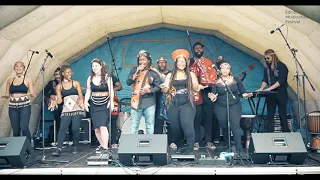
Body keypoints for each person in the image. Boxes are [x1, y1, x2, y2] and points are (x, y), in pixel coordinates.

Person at [161, 49, 206, 154]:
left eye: (184, 61)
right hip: (173, 103)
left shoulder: (191, 74)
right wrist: (164, 88)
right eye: (179, 61)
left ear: (186, 63)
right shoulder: (170, 75)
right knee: (175, 127)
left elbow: (195, 88)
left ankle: (190, 147)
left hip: (187, 103)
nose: (182, 63)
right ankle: (180, 146)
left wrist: (199, 87)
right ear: (176, 63)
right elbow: (166, 89)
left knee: (187, 125)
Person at [208, 62, 253, 153]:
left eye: (227, 68)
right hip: (220, 106)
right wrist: (212, 97)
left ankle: (239, 149)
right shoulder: (216, 82)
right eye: (223, 68)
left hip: (234, 105)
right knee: (224, 126)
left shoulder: (236, 79)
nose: (225, 70)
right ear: (220, 71)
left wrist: (246, 95)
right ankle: (228, 146)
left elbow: (243, 92)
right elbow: (214, 94)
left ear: (230, 70)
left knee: (235, 125)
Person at [51, 65, 85, 156]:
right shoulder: (59, 86)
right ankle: (58, 148)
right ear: (63, 73)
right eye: (68, 72)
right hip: (66, 109)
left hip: (77, 109)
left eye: (71, 72)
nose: (70, 74)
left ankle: (75, 147)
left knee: (75, 128)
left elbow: (81, 96)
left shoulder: (76, 83)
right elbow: (60, 101)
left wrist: (82, 104)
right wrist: (53, 102)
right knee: (62, 128)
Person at [190, 42, 218, 150]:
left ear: (203, 49)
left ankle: (209, 141)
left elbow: (214, 78)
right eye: (196, 48)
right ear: (193, 50)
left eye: (199, 48)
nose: (198, 50)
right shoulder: (190, 62)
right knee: (196, 116)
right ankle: (196, 141)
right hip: (195, 92)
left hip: (207, 91)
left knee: (208, 116)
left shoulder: (208, 61)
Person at [126, 50, 161, 134]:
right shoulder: (134, 70)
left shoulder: (153, 72)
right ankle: (133, 145)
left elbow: (158, 87)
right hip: (136, 101)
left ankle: (149, 146)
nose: (141, 62)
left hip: (149, 102)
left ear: (148, 61)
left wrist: (148, 90)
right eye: (140, 60)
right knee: (134, 125)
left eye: (143, 60)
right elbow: (128, 82)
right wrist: (136, 73)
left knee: (149, 125)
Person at [83, 58, 114, 154]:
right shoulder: (90, 78)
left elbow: (111, 91)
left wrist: (111, 102)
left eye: (96, 66)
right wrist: (85, 102)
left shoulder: (107, 77)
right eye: (93, 66)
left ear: (101, 66)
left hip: (104, 104)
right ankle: (102, 145)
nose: (94, 68)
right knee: (96, 128)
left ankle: (105, 148)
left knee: (103, 126)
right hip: (94, 104)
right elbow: (88, 91)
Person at [256, 49, 290, 133]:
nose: (266, 60)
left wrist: (270, 88)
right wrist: (261, 88)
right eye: (265, 58)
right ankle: (270, 134)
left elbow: (281, 80)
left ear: (273, 57)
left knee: (282, 114)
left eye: (268, 58)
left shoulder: (282, 66)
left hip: (281, 93)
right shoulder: (266, 68)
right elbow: (265, 79)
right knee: (270, 115)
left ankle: (286, 133)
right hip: (271, 94)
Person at [1, 61, 35, 143]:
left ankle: (28, 147)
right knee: (15, 130)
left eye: (20, 66)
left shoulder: (27, 79)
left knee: (24, 127)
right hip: (13, 106)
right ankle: (18, 150)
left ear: (23, 68)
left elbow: (32, 92)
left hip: (25, 105)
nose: (18, 68)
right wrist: (4, 96)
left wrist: (31, 94)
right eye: (16, 66)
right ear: (14, 68)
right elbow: (7, 94)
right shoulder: (10, 80)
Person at [44, 67, 73, 142]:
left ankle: (71, 140)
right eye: (56, 74)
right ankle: (59, 141)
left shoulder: (67, 82)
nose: (57, 76)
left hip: (67, 104)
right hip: (57, 104)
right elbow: (44, 91)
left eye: (59, 74)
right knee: (58, 122)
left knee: (69, 121)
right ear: (54, 75)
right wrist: (51, 96)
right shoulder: (52, 83)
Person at [152, 56, 175, 148]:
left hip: (169, 99)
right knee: (158, 121)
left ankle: (172, 141)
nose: (161, 64)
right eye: (159, 62)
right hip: (157, 99)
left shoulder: (171, 73)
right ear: (157, 64)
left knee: (171, 121)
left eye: (163, 62)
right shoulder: (154, 74)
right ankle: (157, 142)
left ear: (166, 63)